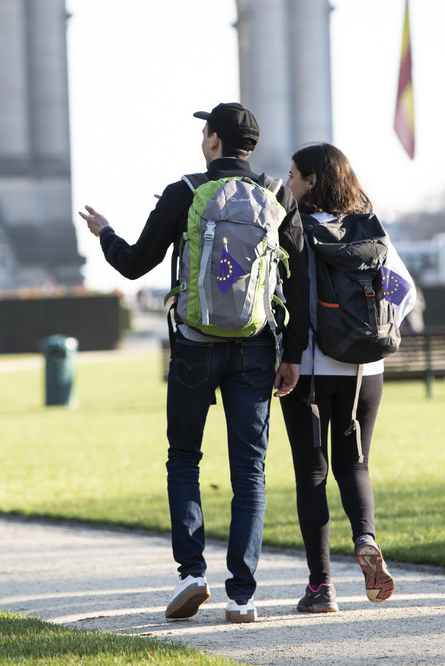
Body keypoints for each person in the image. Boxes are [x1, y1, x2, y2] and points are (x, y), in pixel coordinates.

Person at [79, 102, 309, 623]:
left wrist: (106, 233)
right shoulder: (278, 195)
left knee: (184, 457)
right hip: (255, 346)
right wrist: (291, 355)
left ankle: (191, 574)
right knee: (250, 469)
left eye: (205, 132)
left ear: (213, 143)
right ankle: (242, 597)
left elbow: (136, 263)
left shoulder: (184, 192)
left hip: (193, 342)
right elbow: (298, 281)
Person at [279, 143, 402, 612]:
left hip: (307, 368)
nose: (287, 184)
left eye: (293, 176)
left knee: (312, 471)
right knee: (355, 463)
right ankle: (366, 538)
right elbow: (402, 294)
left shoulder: (294, 229)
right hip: (363, 368)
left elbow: (281, 298)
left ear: (311, 180)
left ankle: (321, 586)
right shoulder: (371, 228)